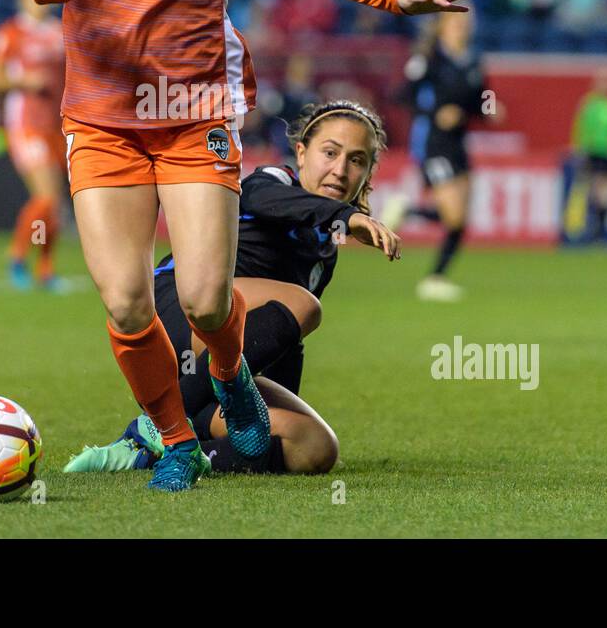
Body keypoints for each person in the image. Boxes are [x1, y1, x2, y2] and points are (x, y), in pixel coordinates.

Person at [29, 0, 470, 492]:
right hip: (101, 118)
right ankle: (173, 442)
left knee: (204, 300)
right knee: (129, 303)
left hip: (194, 113)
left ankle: (230, 384)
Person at [63, 99, 401, 475]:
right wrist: (344, 215)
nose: (340, 170)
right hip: (178, 305)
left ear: (369, 174)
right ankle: (155, 428)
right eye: (330, 152)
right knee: (305, 305)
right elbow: (258, 196)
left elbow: (283, 342)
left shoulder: (324, 251)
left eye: (356, 160)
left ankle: (179, 452)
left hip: (213, 362)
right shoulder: (275, 180)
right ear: (302, 153)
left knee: (314, 447)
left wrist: (272, 414)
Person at [404, 10, 497, 301]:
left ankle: (435, 275)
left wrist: (490, 110)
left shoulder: (472, 62)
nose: (462, 28)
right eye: (456, 23)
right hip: (434, 144)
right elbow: (403, 96)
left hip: (459, 144)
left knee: (459, 220)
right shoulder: (428, 60)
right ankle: (434, 277)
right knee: (454, 216)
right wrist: (435, 114)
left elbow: (482, 98)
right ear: (442, 27)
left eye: (465, 24)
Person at [0, 0, 67, 291]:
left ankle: (45, 271)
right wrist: (25, 80)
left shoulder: (58, 32)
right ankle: (17, 257)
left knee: (53, 204)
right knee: (46, 196)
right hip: (25, 123)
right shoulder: (10, 33)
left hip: (56, 123)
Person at [570, 69, 607, 240]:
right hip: (593, 153)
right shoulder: (590, 104)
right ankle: (588, 230)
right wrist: (581, 150)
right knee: (595, 192)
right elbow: (582, 129)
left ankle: (599, 228)